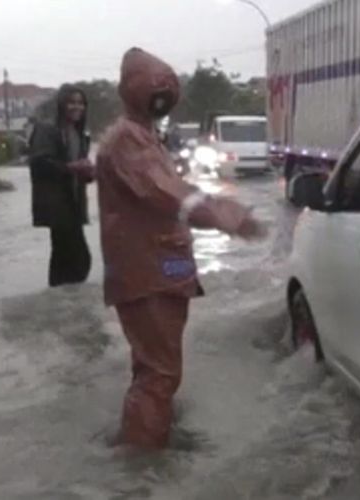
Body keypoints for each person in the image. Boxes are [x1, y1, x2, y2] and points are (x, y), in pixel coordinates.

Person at [96, 47, 264, 449]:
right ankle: (144, 463)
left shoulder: (142, 135)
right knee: (160, 374)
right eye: (156, 86)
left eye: (168, 86)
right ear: (131, 90)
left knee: (153, 368)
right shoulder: (128, 140)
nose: (164, 93)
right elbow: (166, 194)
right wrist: (220, 213)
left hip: (157, 270)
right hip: (148, 273)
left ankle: (148, 435)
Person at [28, 85, 95, 287]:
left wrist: (88, 173)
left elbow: (79, 168)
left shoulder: (80, 134)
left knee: (67, 259)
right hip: (56, 204)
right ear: (62, 105)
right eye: (72, 102)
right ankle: (63, 304)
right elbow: (39, 163)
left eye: (81, 103)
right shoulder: (47, 130)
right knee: (78, 258)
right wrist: (71, 168)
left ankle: (61, 304)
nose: (77, 107)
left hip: (74, 203)